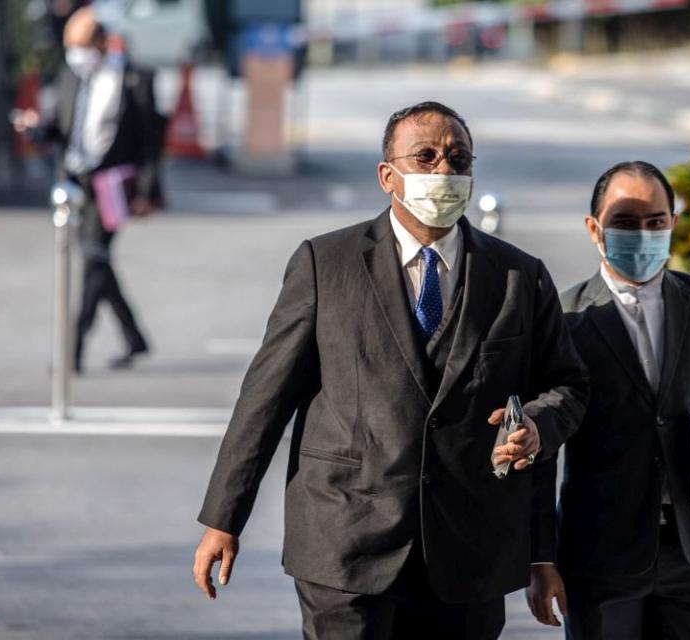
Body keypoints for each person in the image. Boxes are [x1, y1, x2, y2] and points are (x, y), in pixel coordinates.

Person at [193, 101, 589, 640]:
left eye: (458, 159)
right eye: (425, 158)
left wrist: (538, 428)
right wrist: (224, 517)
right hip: (345, 545)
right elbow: (265, 398)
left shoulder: (520, 276)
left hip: (468, 551)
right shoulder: (324, 264)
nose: (443, 171)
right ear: (388, 176)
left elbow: (566, 386)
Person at [525, 161, 690, 639]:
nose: (643, 233)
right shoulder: (564, 316)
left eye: (655, 221)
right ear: (594, 228)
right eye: (626, 222)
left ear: (673, 223)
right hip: (600, 558)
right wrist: (540, 558)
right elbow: (541, 448)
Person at [41, 7, 163, 372]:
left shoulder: (132, 79)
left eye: (83, 47)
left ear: (101, 44)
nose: (77, 55)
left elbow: (149, 141)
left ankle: (71, 350)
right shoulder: (71, 76)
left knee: (93, 259)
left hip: (112, 184)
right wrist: (35, 130)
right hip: (75, 182)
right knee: (98, 262)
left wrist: (146, 191)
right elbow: (59, 126)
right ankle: (134, 336)